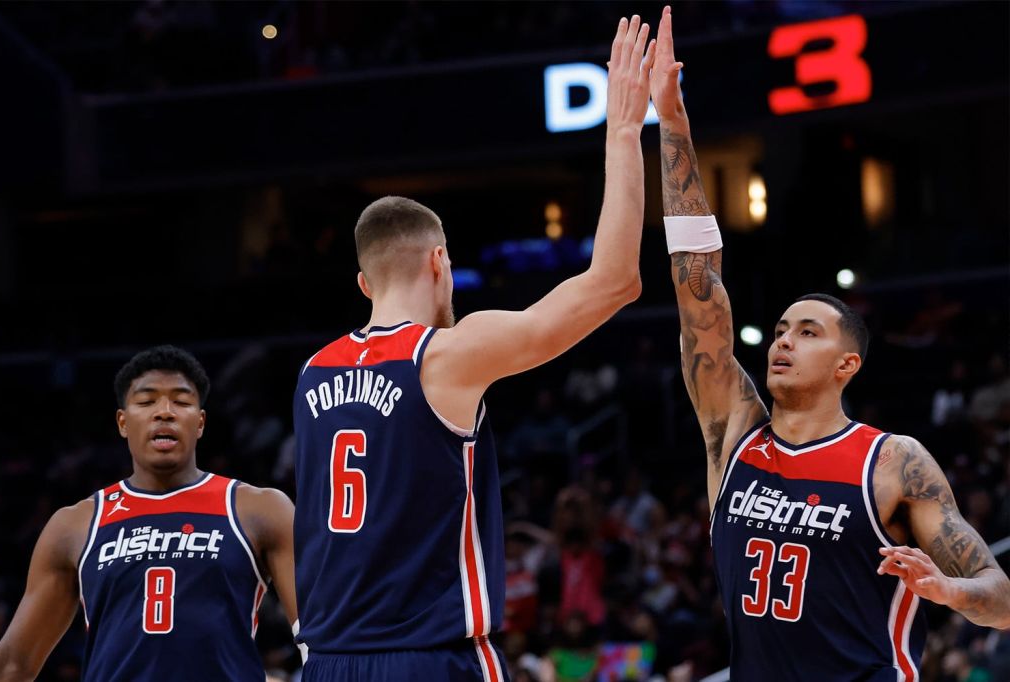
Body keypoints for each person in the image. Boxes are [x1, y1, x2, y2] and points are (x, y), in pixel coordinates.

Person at [649, 6, 1010, 681]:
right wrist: (673, 125)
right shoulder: (734, 435)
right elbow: (698, 294)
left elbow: (1001, 596)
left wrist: (950, 591)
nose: (783, 342)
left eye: (807, 332)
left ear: (848, 364)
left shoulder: (894, 461)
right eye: (781, 329)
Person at [291, 15, 654, 682]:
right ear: (439, 262)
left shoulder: (314, 373)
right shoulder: (448, 354)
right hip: (432, 655)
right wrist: (625, 131)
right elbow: (616, 282)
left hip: (330, 659)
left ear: (365, 281)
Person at [0, 345, 299, 681]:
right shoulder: (75, 524)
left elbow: (321, 635)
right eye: (147, 401)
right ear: (123, 422)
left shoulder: (259, 508)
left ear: (200, 423)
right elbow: (13, 664)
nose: (164, 412)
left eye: (180, 401)